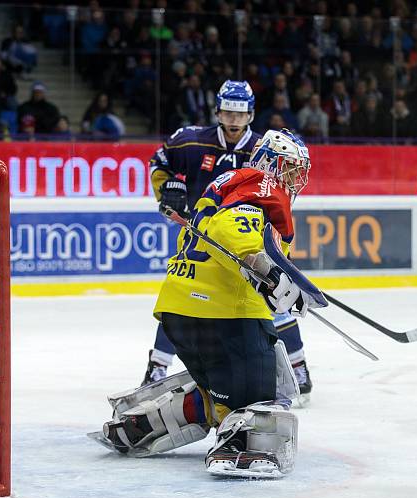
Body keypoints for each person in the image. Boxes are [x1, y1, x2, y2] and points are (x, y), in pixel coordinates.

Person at [101, 129, 315, 477]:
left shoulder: (227, 183)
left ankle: (144, 422)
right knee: (271, 390)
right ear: (272, 162)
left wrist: (283, 281)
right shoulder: (264, 185)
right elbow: (235, 229)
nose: (296, 178)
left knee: (220, 389)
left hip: (180, 308)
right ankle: (240, 446)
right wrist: (272, 275)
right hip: (224, 314)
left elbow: (224, 234)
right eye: (292, 168)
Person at [142, 80, 315, 402]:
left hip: (240, 234)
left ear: (250, 115)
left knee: (262, 293)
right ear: (218, 111)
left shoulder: (266, 148)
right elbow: (159, 163)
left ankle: (298, 364)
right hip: (199, 230)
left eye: (240, 114)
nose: (234, 120)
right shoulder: (190, 141)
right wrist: (169, 192)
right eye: (227, 112)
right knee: (198, 291)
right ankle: (157, 366)